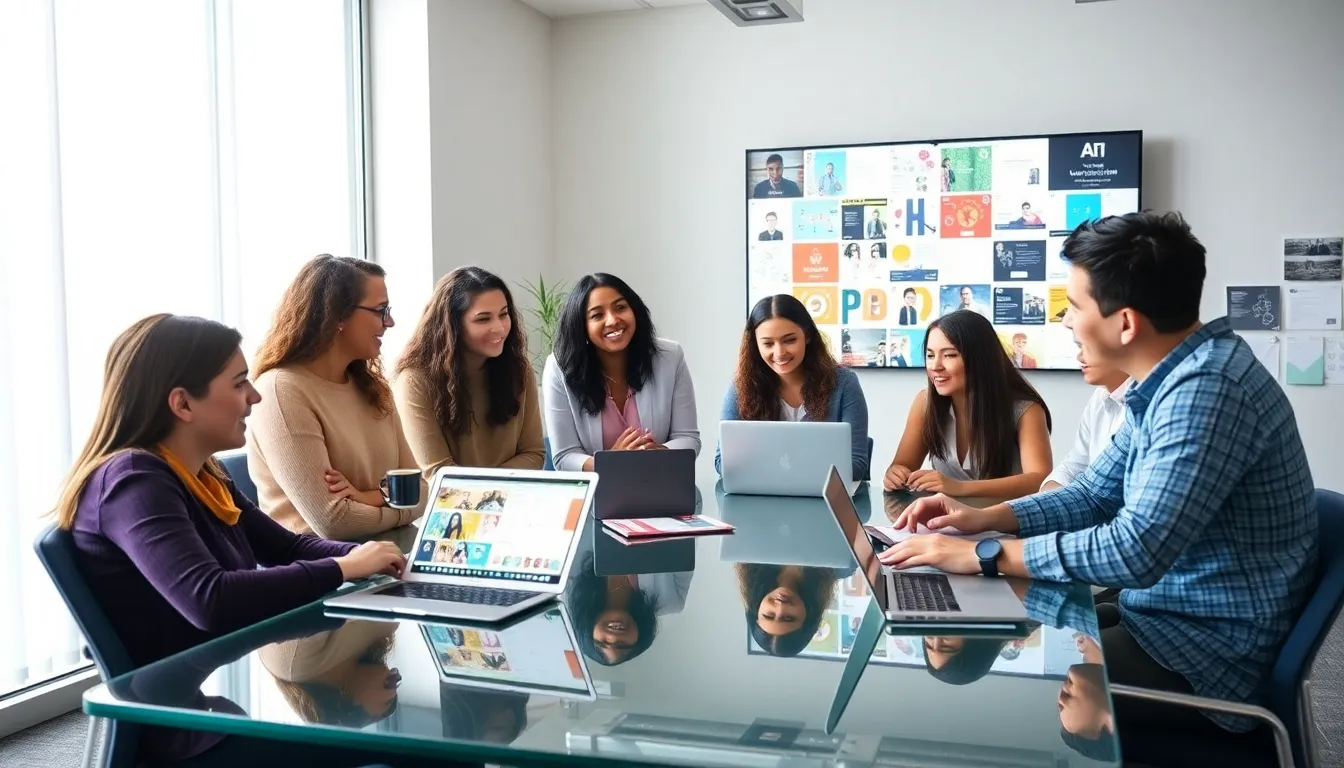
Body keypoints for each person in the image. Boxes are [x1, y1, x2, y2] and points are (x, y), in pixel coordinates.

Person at [881, 211, 1316, 748]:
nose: (1065, 321)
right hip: (1167, 614)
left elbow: (1134, 551)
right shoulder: (1169, 381)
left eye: (1075, 306)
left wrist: (983, 553)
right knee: (1007, 621)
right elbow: (1093, 493)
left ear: (1125, 322)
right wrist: (981, 520)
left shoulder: (1207, 391)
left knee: (1049, 719)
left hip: (1208, 653)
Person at [54, 314, 408, 766]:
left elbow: (287, 548)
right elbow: (210, 600)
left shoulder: (204, 472)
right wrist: (343, 567)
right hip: (180, 738)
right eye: (240, 384)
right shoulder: (134, 482)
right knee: (420, 748)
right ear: (183, 404)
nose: (254, 396)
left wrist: (379, 558)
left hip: (205, 702)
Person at [248, 255, 427, 540]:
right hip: (323, 571)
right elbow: (334, 523)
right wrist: (395, 506)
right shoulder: (281, 391)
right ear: (338, 316)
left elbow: (422, 492)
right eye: (381, 310)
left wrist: (365, 499)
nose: (390, 322)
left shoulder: (373, 388)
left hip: (391, 557)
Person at [881, 310, 1052, 498]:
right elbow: (903, 465)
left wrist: (959, 487)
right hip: (944, 522)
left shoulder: (1026, 411)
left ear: (980, 360)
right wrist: (895, 473)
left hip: (1004, 522)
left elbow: (1039, 480)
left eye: (949, 355)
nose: (935, 366)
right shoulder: (925, 403)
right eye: (930, 355)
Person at [394, 267, 544, 475]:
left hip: (512, 498)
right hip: (451, 505)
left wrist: (494, 490)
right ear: (452, 325)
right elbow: (438, 472)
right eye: (483, 319)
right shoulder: (414, 381)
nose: (499, 328)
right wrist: (492, 489)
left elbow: (534, 454)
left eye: (503, 314)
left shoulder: (519, 370)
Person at [543, 273, 700, 471]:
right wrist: (612, 462)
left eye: (620, 307)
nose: (612, 320)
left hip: (658, 483)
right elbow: (564, 457)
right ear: (581, 327)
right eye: (597, 315)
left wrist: (659, 452)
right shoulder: (559, 369)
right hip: (597, 493)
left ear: (634, 310)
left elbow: (689, 439)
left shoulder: (670, 357)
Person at [715, 294, 870, 480]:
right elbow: (722, 462)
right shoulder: (742, 386)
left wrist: (779, 470)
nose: (779, 353)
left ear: (808, 336)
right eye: (768, 344)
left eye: (789, 340)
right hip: (761, 499)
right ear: (755, 345)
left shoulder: (844, 384)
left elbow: (857, 463)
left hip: (823, 502)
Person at [1041, 356, 1132, 490]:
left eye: (1087, 345)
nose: (1080, 357)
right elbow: (1076, 465)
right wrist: (1047, 497)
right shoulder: (1099, 395)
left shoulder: (1147, 403)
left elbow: (1099, 493)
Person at [736, 563, 839, 656]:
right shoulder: (838, 567)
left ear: (757, 610)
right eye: (789, 618)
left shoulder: (748, 563)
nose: (780, 607)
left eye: (769, 615)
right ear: (808, 616)